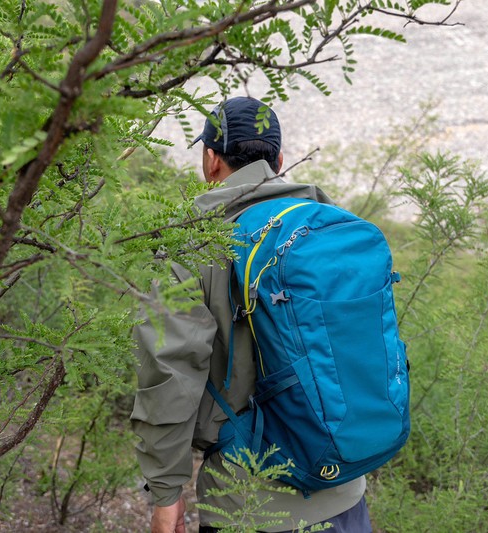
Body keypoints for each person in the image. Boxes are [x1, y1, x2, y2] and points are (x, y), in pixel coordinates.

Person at [131, 97, 372, 533]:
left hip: (248, 503)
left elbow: (170, 374)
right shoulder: (330, 221)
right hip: (345, 488)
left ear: (211, 160)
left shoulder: (194, 242)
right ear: (278, 161)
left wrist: (166, 494)